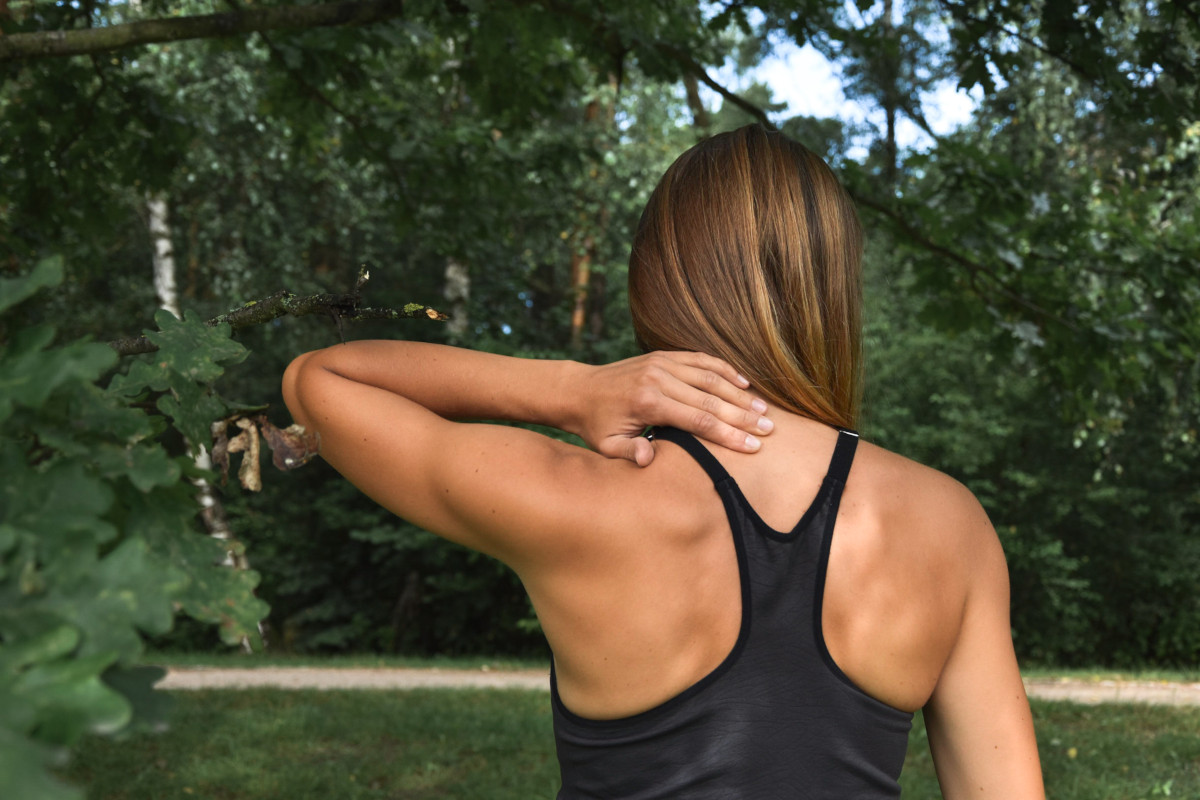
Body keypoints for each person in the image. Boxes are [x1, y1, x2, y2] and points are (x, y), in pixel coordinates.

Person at [282, 124, 1045, 798]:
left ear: (656, 279)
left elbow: (319, 384)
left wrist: (570, 389)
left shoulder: (586, 501)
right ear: (833, 291)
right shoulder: (949, 527)